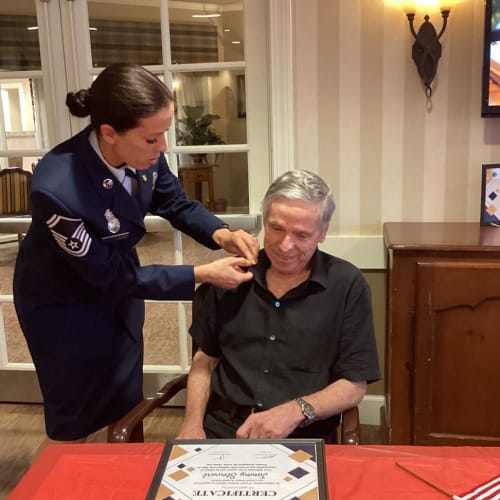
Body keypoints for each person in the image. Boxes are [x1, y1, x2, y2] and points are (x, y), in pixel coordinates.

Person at [13, 63, 259, 448]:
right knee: (75, 413)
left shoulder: (144, 152)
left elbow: (174, 202)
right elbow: (107, 275)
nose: (162, 148)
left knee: (124, 401)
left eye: (164, 135)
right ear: (109, 133)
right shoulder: (56, 187)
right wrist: (202, 273)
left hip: (120, 294)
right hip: (64, 305)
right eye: (152, 139)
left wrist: (221, 233)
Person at [177, 169, 380, 442]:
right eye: (276, 228)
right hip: (223, 432)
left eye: (302, 235)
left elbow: (354, 385)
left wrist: (295, 411)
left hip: (302, 436)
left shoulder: (347, 285)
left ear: (323, 232)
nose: (286, 246)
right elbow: (205, 359)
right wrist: (191, 426)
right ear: (265, 220)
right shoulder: (231, 276)